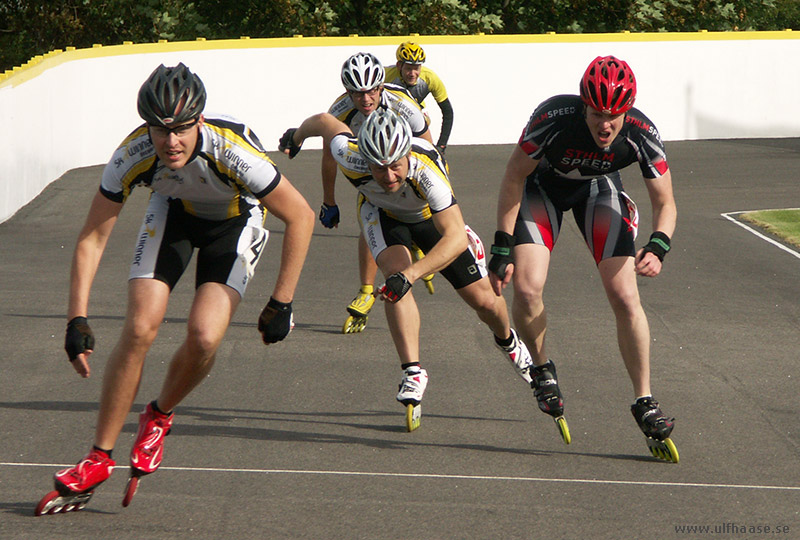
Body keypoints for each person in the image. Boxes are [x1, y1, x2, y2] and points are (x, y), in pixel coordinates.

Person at [35, 63, 315, 515]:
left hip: (235, 219)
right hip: (174, 212)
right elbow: (92, 236)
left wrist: (281, 301)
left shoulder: (234, 152)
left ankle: (159, 415)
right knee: (141, 326)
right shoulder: (133, 153)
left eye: (182, 129)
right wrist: (76, 318)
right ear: (147, 127)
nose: (171, 142)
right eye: (160, 131)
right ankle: (99, 457)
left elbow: (300, 216)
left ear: (200, 120)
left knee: (205, 334)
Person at [279, 109, 535, 432]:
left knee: (485, 302)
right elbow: (324, 123)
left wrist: (412, 274)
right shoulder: (349, 154)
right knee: (394, 282)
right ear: (365, 158)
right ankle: (413, 370)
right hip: (381, 213)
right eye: (378, 168)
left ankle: (510, 342)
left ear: (407, 155)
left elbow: (453, 238)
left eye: (395, 166)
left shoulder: (425, 169)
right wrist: (296, 136)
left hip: (431, 219)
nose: (387, 177)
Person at [488, 55, 679, 460]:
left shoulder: (643, 133)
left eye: (613, 115)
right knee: (526, 288)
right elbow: (514, 176)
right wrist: (502, 243)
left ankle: (644, 400)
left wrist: (659, 244)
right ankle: (542, 369)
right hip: (542, 190)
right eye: (596, 113)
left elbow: (666, 201)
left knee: (625, 295)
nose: (604, 124)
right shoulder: (553, 118)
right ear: (583, 105)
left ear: (626, 111)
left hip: (598, 190)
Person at [320, 52, 435, 334]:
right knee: (371, 216)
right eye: (358, 93)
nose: (366, 99)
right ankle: (366, 290)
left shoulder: (404, 105)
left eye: (372, 90)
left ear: (382, 86)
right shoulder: (338, 112)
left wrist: (434, 194)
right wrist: (329, 201)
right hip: (373, 175)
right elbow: (328, 158)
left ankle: (415, 244)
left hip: (407, 170)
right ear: (347, 91)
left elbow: (431, 150)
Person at [384, 42, 453, 155]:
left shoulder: (430, 78)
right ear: (399, 66)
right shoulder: (385, 75)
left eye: (416, 68)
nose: (412, 73)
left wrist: (441, 146)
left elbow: (448, 112)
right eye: (408, 68)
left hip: (416, 115)